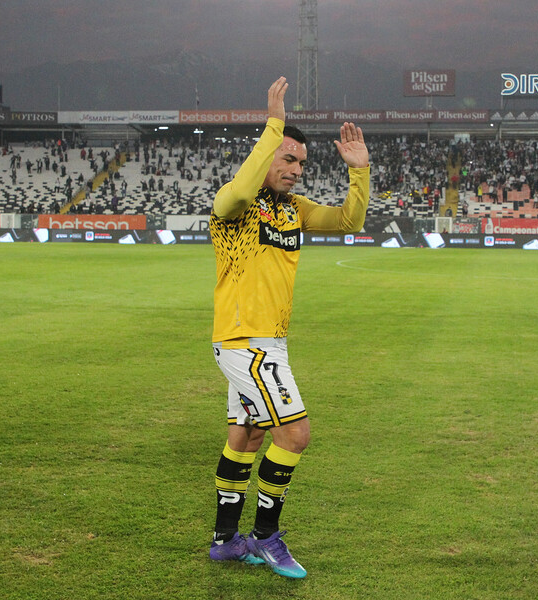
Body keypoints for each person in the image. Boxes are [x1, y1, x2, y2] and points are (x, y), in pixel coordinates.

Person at [207, 76, 370, 579]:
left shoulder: (293, 210)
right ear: (267, 155)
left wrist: (359, 172)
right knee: (295, 434)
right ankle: (265, 536)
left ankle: (225, 541)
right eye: (289, 159)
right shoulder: (233, 205)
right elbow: (242, 187)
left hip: (267, 342)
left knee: (247, 437)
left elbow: (349, 222)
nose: (297, 170)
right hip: (245, 341)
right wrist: (273, 125)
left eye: (302, 163)